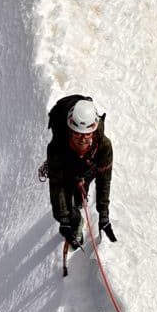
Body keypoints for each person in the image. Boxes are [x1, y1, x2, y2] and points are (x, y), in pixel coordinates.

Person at [44, 94, 116, 249]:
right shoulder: (57, 148)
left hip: (87, 169)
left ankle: (77, 204)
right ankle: (75, 220)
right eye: (77, 133)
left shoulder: (104, 146)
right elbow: (57, 185)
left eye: (87, 134)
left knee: (78, 199)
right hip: (65, 169)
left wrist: (104, 214)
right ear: (70, 130)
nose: (82, 139)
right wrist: (64, 220)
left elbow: (104, 180)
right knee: (61, 211)